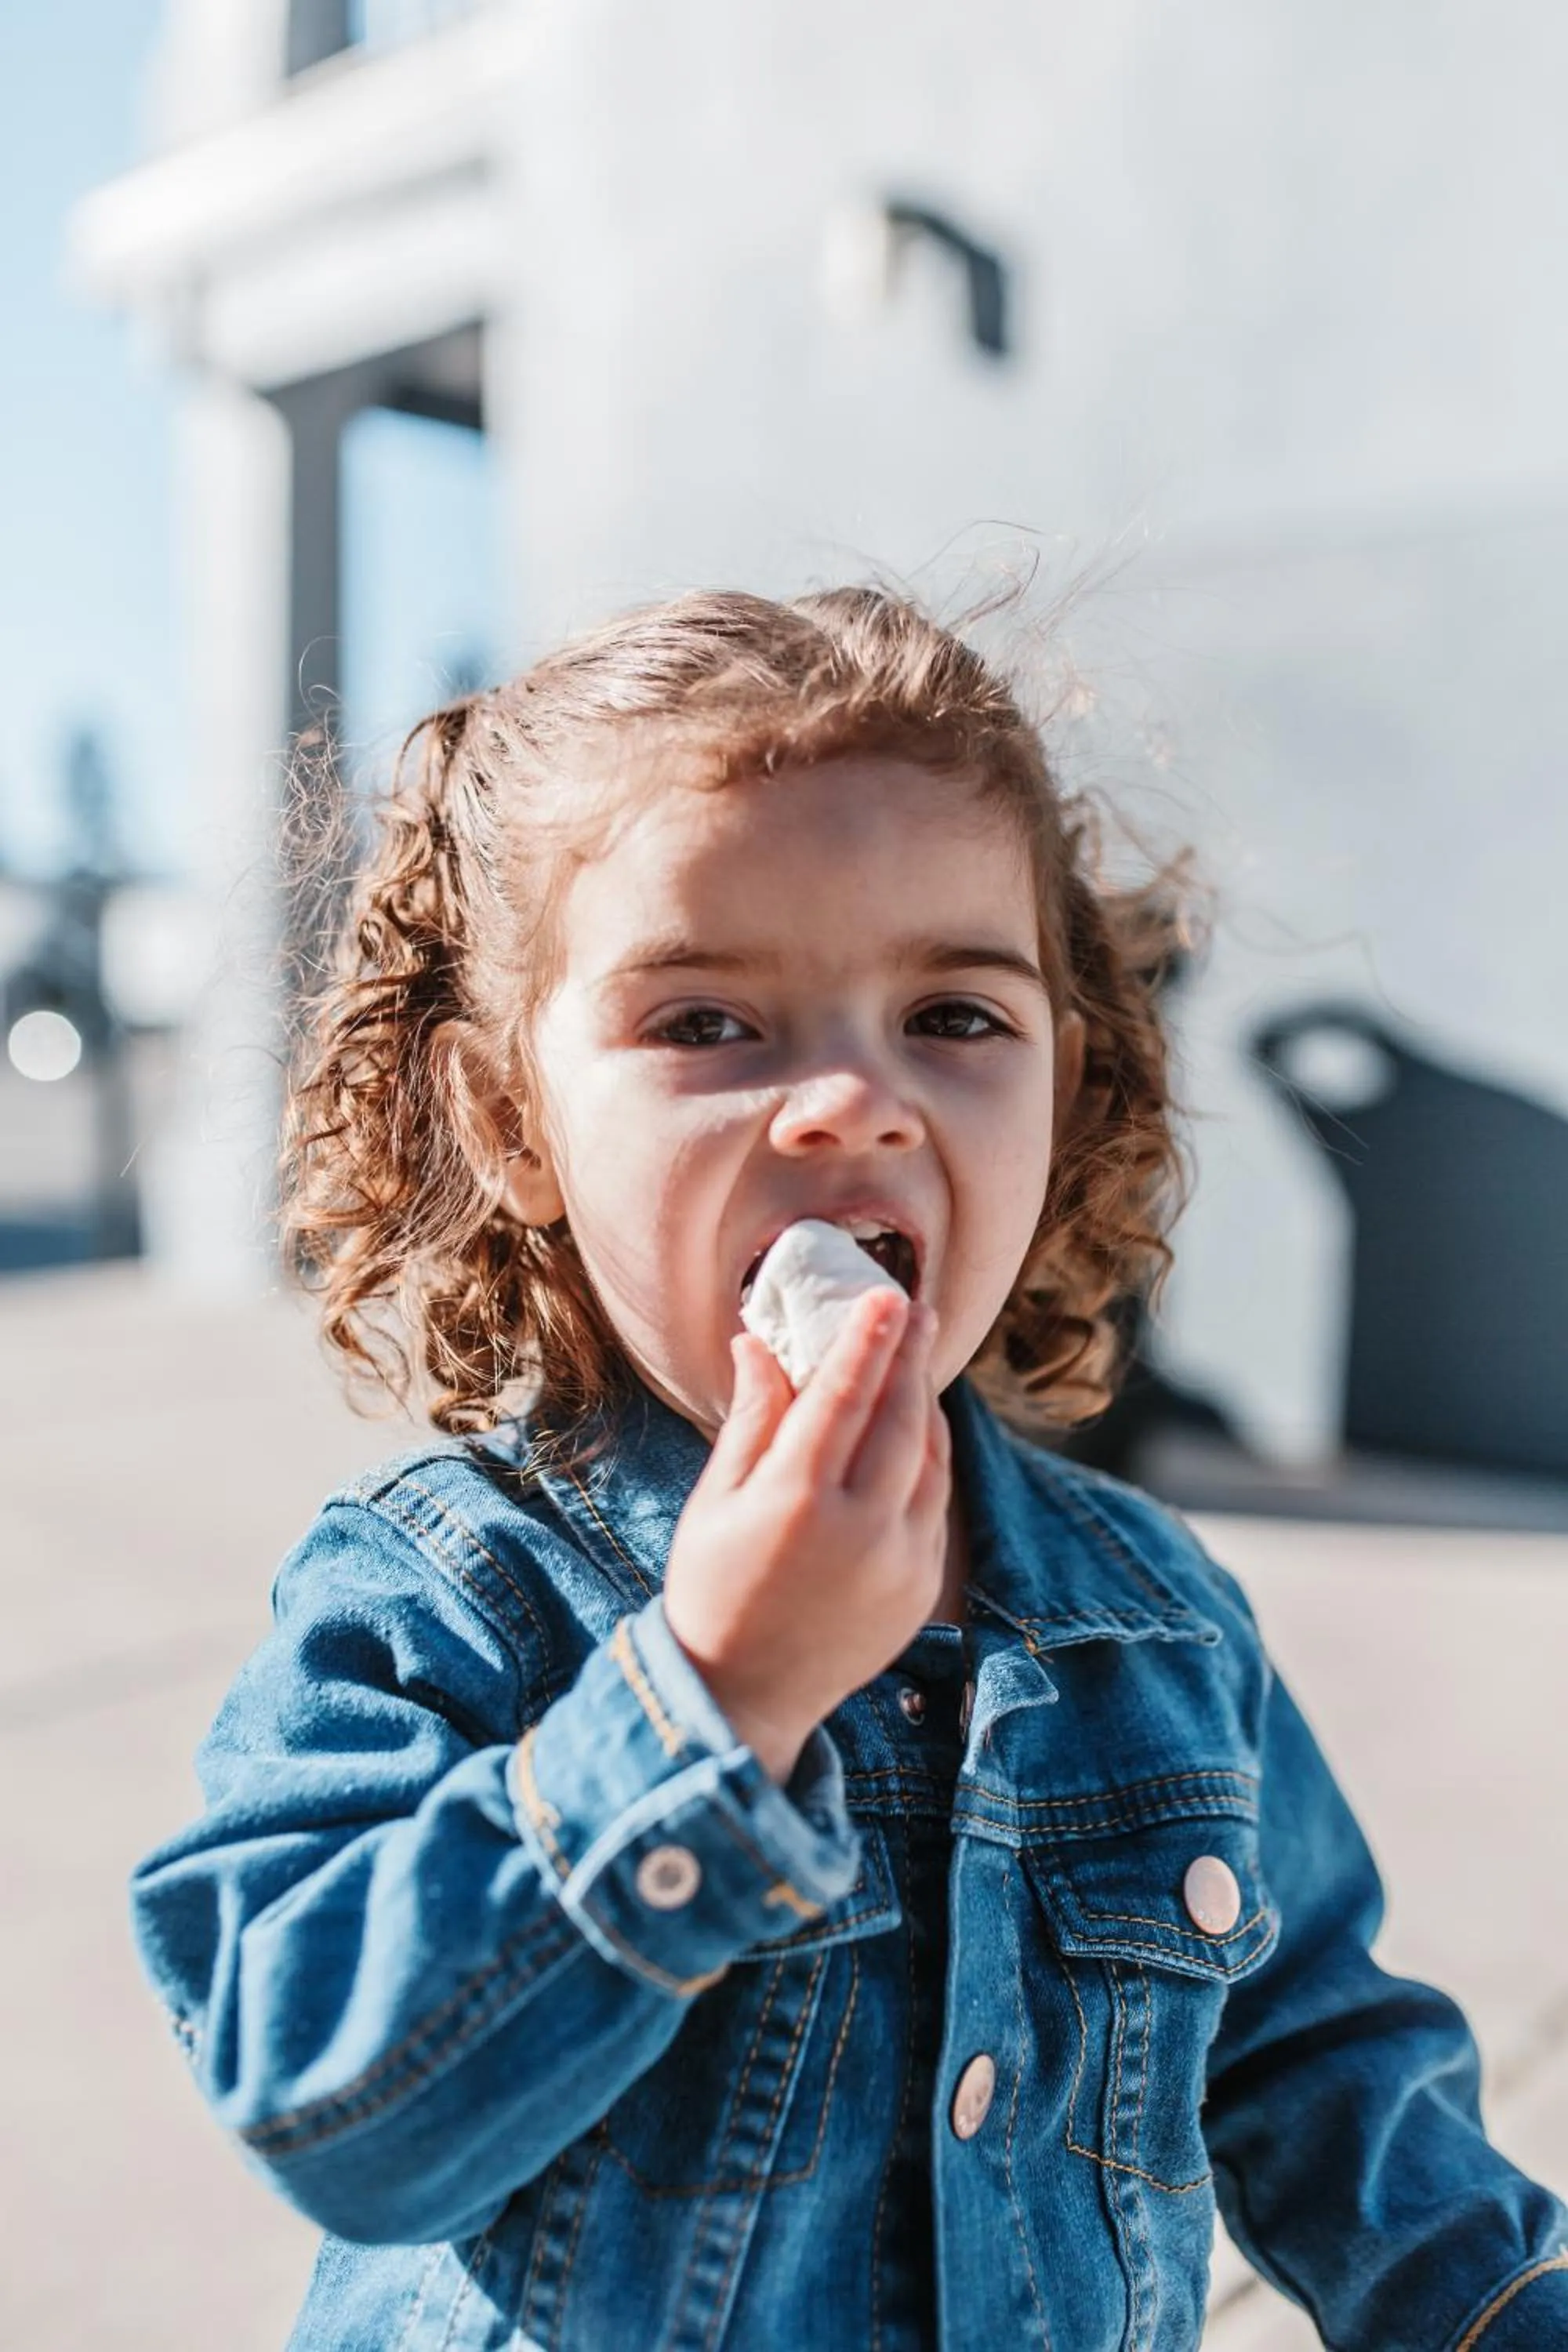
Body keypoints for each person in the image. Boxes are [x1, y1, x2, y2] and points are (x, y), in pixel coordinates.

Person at [131, 588, 1568, 2351]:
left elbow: (1325, 2065)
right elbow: (325, 2102)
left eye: (954, 1018)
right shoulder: (445, 1603)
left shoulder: (1157, 1620)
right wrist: (713, 1704)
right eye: (709, 1024)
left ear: (1066, 1080)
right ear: (511, 1122)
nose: (848, 1105)